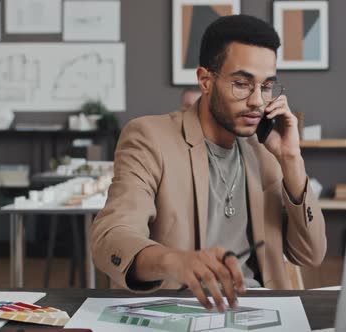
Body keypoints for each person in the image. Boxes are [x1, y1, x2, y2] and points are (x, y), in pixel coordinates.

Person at [90, 14, 326, 312]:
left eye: (266, 87)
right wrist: (176, 261)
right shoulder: (149, 137)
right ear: (205, 80)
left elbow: (312, 253)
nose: (257, 101)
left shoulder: (267, 148)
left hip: (261, 312)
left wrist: (291, 159)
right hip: (179, 311)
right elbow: (111, 237)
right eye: (242, 84)